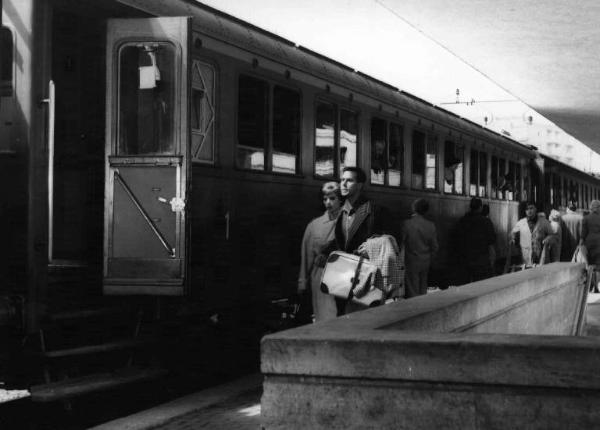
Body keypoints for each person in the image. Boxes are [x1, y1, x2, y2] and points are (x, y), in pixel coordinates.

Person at [327, 166, 389, 314]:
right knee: (343, 316)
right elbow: (340, 241)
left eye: (349, 180)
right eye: (342, 180)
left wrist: (369, 249)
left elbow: (389, 240)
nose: (343, 184)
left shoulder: (373, 210)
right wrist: (325, 253)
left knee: (364, 318)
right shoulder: (343, 211)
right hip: (344, 275)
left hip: (366, 276)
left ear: (360, 185)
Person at [297, 182, 341, 322]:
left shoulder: (350, 221)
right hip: (322, 277)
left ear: (341, 199)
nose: (328, 202)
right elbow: (307, 256)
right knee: (326, 318)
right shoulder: (314, 225)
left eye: (333, 198)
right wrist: (302, 283)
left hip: (345, 275)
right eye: (325, 199)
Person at [401, 198, 438, 298]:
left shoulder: (407, 224)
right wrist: (431, 259)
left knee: (413, 291)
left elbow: (401, 244)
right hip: (425, 261)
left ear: (413, 208)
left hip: (411, 261)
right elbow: (435, 246)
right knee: (423, 288)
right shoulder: (431, 225)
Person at [455, 198, 496, 284]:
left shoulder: (462, 220)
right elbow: (491, 241)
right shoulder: (486, 221)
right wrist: (492, 258)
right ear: (480, 207)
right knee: (481, 284)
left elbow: (458, 239)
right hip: (481, 260)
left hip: (465, 259)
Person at [582, 200, 600, 265]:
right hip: (598, 244)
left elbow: (583, 234)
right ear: (598, 208)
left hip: (589, 244)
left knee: (590, 263)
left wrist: (580, 244)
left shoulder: (586, 218)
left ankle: (591, 274)